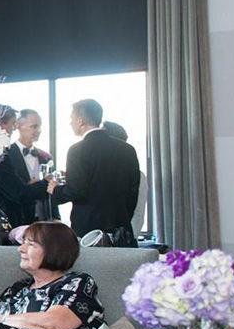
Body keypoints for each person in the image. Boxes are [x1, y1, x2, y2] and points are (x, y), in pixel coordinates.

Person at [49, 99, 140, 244]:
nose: (70, 123)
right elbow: (133, 191)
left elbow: (76, 191)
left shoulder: (77, 150)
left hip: (88, 230)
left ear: (80, 121)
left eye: (71, 119)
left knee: (89, 267)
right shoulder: (127, 149)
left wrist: (55, 190)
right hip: (121, 228)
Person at [0, 105, 50, 230]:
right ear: (1, 124)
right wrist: (47, 183)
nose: (13, 129)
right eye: (13, 124)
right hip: (5, 223)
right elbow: (18, 193)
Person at [102, 121, 148, 235]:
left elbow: (138, 213)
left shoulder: (138, 175)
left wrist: (129, 237)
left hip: (124, 238)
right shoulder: (100, 172)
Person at [14, 109, 59, 222]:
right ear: (18, 126)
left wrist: (55, 217)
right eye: (34, 126)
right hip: (19, 217)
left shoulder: (46, 157)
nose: (38, 130)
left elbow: (52, 189)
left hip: (45, 218)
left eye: (39, 126)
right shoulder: (7, 155)